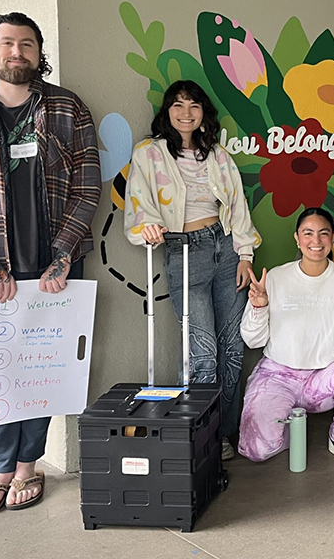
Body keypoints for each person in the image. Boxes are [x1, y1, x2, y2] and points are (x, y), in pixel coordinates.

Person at [0, 12, 101, 514]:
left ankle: (29, 466)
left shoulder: (69, 108)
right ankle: (1, 466)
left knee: (43, 370)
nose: (16, 53)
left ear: (38, 51)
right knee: (0, 370)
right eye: (7, 43)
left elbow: (88, 185)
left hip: (56, 269)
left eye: (27, 44)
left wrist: (65, 254)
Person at [124, 80, 261, 462]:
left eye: (194, 105)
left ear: (204, 113)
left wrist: (245, 254)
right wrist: (148, 226)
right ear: (167, 112)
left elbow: (237, 206)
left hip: (226, 247)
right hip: (185, 251)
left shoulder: (217, 155)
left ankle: (226, 432)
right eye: (178, 105)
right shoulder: (149, 154)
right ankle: (205, 434)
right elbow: (139, 201)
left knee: (232, 349)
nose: (186, 113)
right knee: (202, 353)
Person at [238, 207, 334, 468]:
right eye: (308, 233)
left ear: (333, 238)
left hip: (323, 378)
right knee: (256, 450)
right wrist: (259, 307)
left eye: (323, 234)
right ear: (297, 238)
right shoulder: (276, 278)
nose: (316, 242)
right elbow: (252, 341)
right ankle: (291, 429)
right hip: (277, 375)